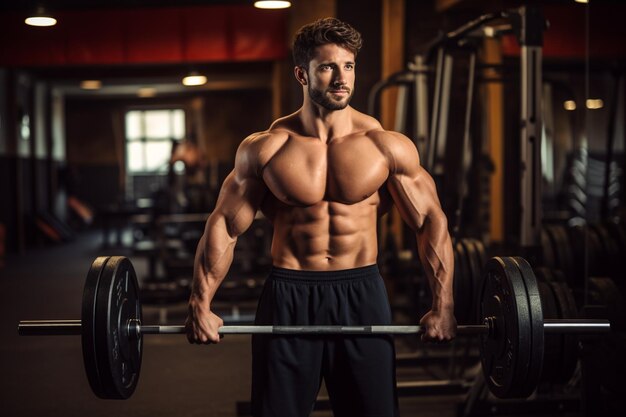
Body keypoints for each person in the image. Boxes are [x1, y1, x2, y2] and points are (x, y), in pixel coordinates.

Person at [186, 17, 456, 417]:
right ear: (302, 73)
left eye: (348, 66)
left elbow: (431, 220)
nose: (341, 78)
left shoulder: (385, 146)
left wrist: (443, 305)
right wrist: (200, 302)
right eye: (328, 66)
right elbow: (225, 224)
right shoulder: (267, 148)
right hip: (289, 291)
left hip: (361, 291)